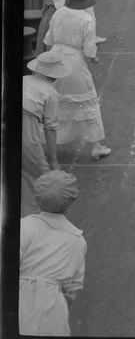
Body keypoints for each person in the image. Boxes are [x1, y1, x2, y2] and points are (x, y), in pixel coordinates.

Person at [44, 0, 111, 160]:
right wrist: (94, 58)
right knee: (88, 101)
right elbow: (89, 50)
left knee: (54, 102)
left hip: (54, 60)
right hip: (74, 62)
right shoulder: (86, 19)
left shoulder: (58, 14)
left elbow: (48, 40)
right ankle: (96, 146)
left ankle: (50, 145)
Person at [19, 170, 86, 336]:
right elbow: (72, 290)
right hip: (52, 307)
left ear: (37, 199)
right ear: (71, 201)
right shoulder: (77, 240)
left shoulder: (23, 226)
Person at [21, 51, 71, 216]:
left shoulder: (24, 79)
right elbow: (50, 129)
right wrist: (53, 161)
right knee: (41, 173)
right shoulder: (51, 93)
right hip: (26, 128)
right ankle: (38, 214)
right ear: (55, 75)